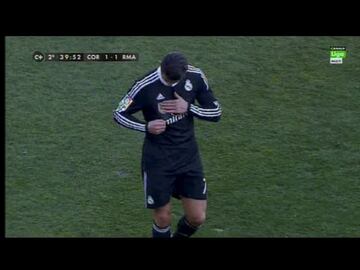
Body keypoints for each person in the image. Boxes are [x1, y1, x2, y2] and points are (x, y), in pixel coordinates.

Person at [113, 52, 221, 238]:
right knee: (163, 218)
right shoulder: (145, 85)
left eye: (174, 82)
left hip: (188, 157)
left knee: (197, 217)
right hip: (158, 160)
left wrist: (188, 107)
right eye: (167, 80)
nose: (170, 84)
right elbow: (119, 113)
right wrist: (146, 126)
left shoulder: (196, 77)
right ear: (161, 68)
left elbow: (216, 112)